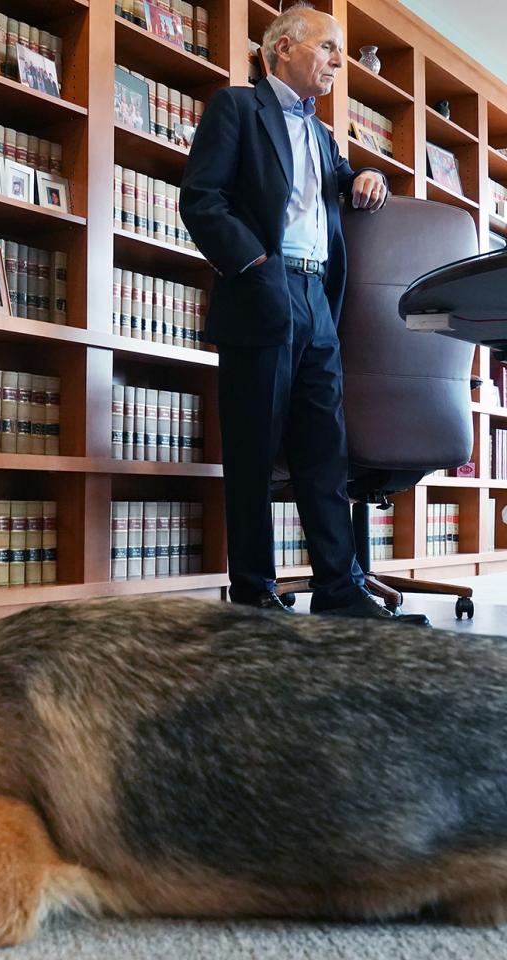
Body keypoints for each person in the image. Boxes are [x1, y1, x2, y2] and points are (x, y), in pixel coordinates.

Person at [180, 3, 423, 622]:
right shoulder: (236, 107)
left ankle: (338, 588)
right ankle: (254, 591)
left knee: (324, 450)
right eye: (329, 48)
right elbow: (201, 200)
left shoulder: (320, 132)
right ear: (282, 48)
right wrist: (256, 267)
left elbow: (339, 181)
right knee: (255, 450)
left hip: (319, 301)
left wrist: (363, 175)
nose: (340, 61)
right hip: (263, 288)